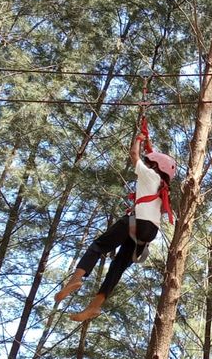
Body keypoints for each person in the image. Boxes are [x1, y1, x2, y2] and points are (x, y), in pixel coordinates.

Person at [54, 133, 177, 321]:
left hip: (136, 223)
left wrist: (137, 139)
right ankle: (94, 306)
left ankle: (76, 279)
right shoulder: (163, 190)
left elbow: (134, 155)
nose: (147, 163)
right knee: (117, 267)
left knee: (98, 246)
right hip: (149, 233)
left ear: (155, 166)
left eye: (150, 162)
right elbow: (149, 157)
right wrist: (148, 144)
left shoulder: (150, 175)